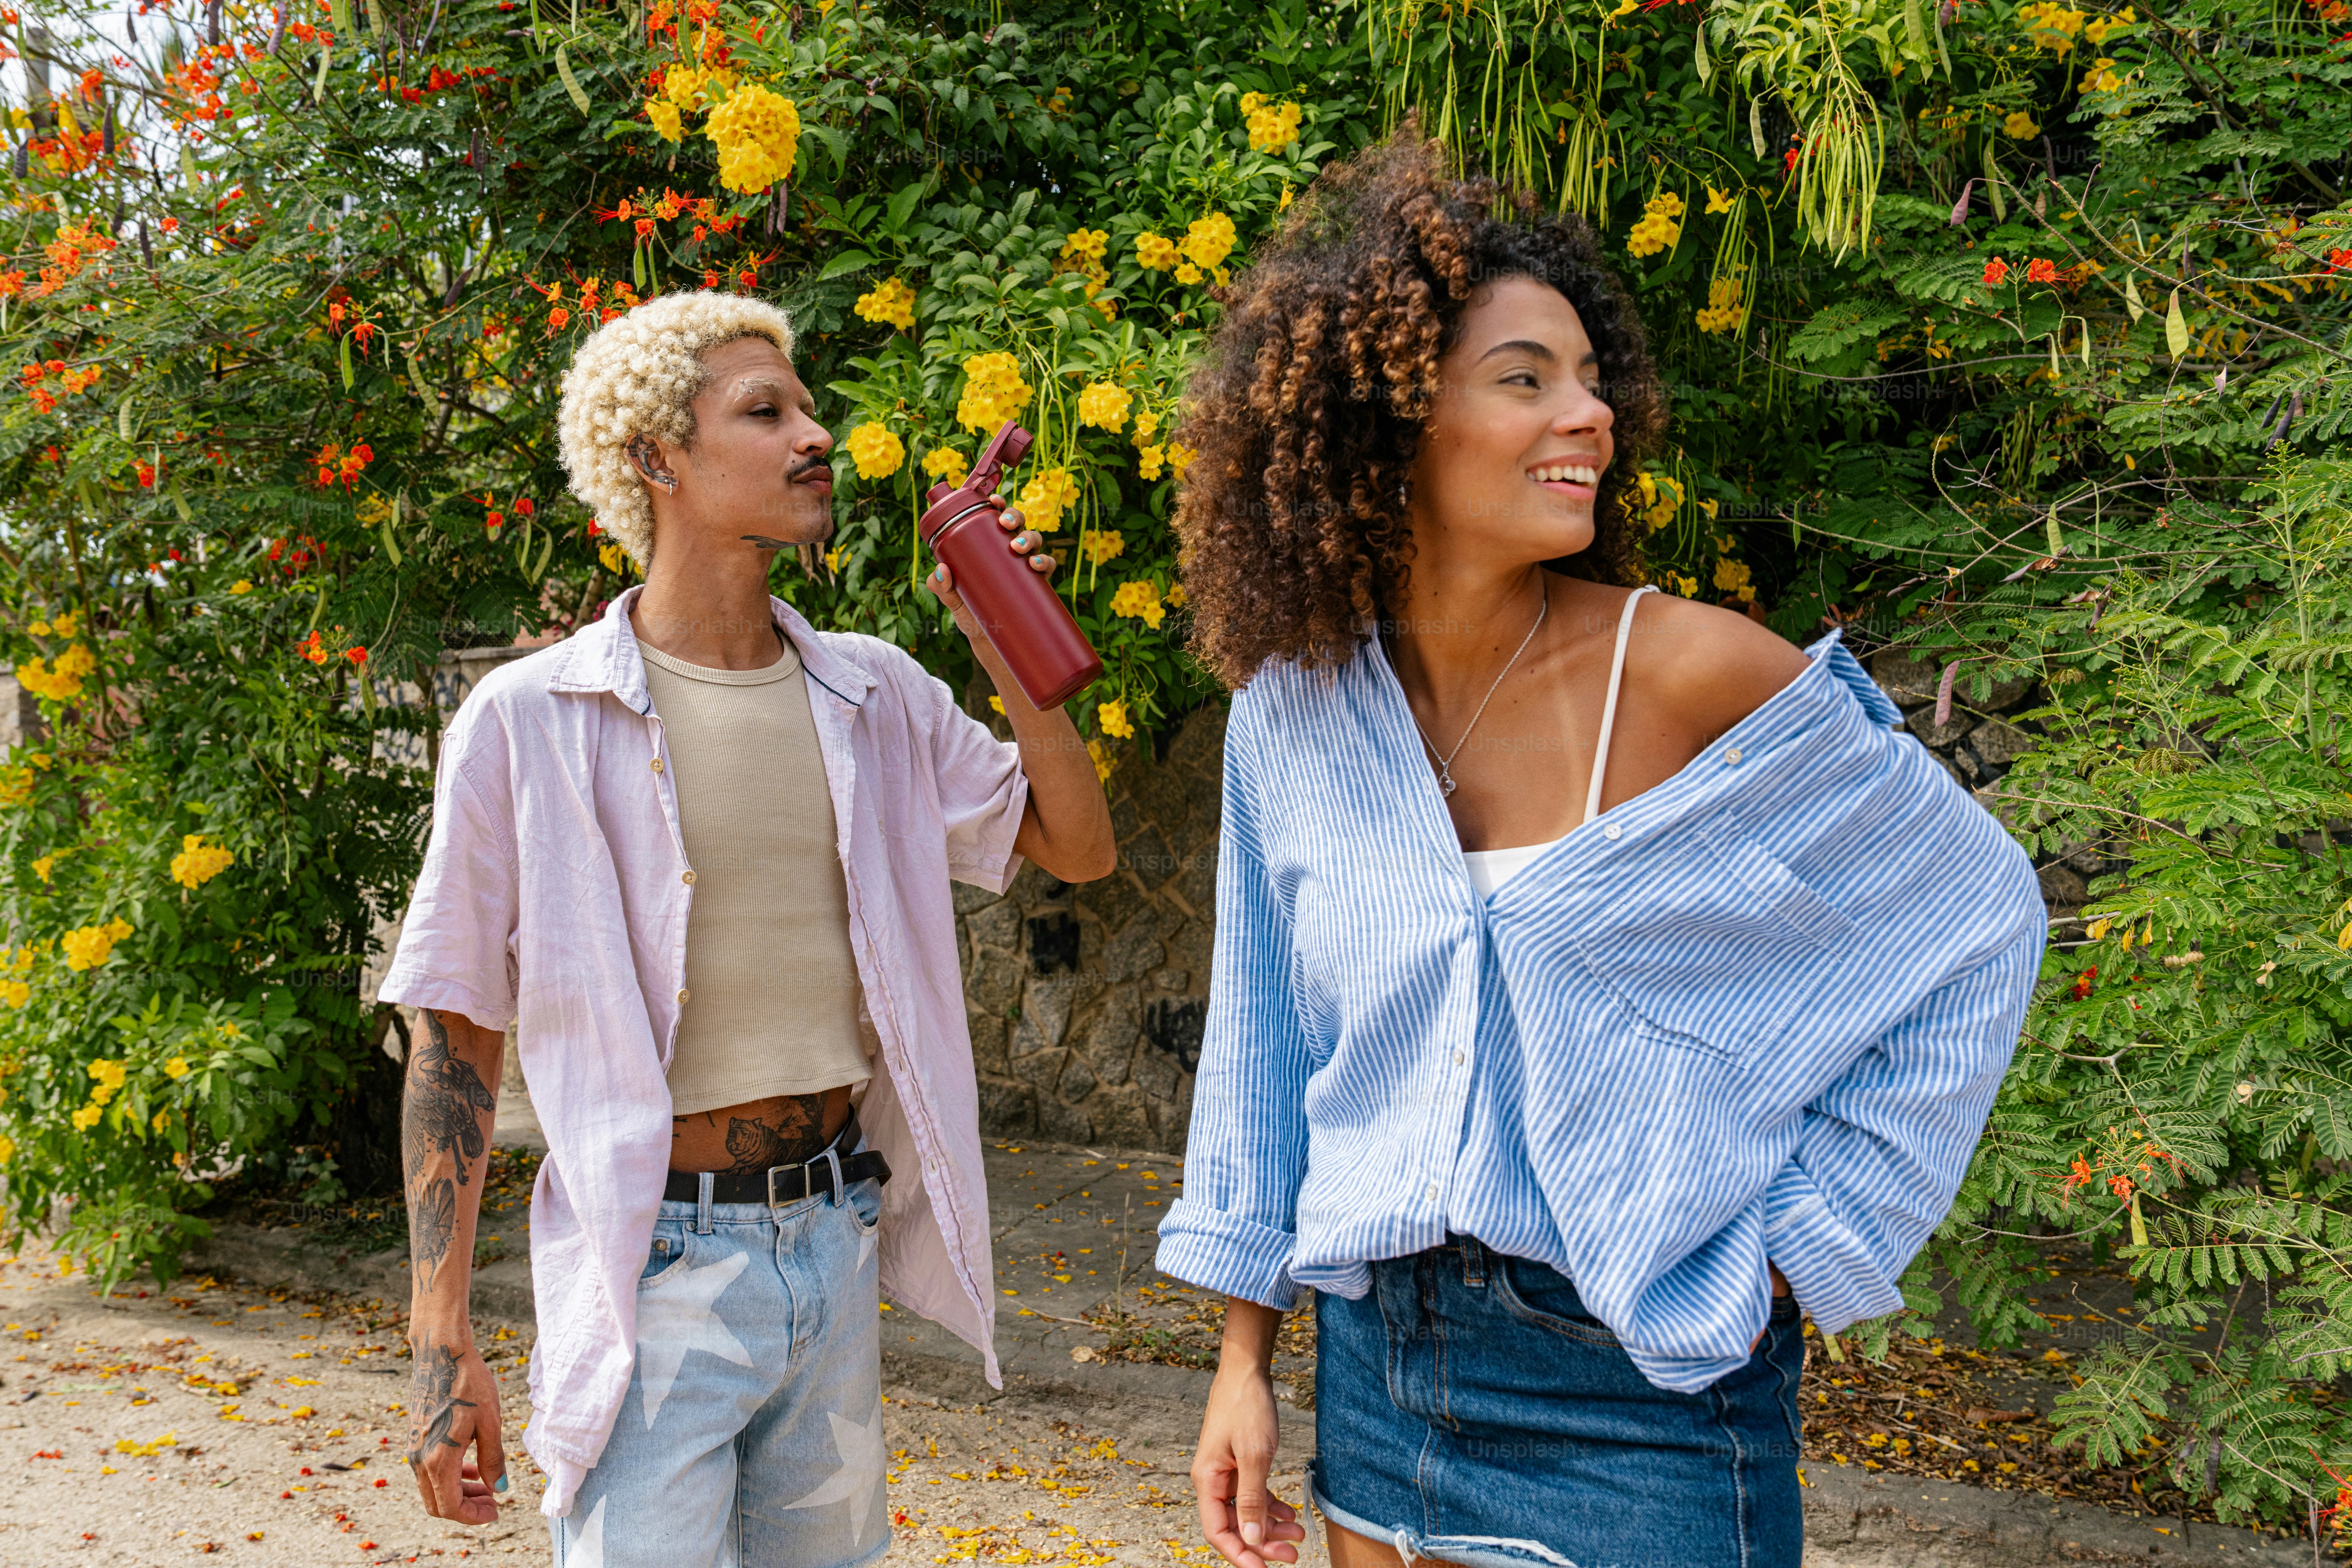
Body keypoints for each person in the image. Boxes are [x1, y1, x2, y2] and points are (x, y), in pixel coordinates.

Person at [1153, 127, 2047, 1568]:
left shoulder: (1696, 672)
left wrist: (1806, 1244)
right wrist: (1243, 1358)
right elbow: (1262, 1057)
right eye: (1526, 381)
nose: (1590, 416)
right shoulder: (1290, 718)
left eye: (1591, 379)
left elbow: (1981, 916)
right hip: (1378, 1368)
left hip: (1645, 1378)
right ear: (1389, 420)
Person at [378, 290, 1115, 1568]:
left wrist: (1007, 642)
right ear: (657, 456)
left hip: (830, 1239)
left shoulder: (873, 689)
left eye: (808, 406)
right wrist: (442, 1341)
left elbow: (1079, 843)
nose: (814, 435)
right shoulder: (529, 720)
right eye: (765, 412)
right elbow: (454, 1031)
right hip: (653, 1258)